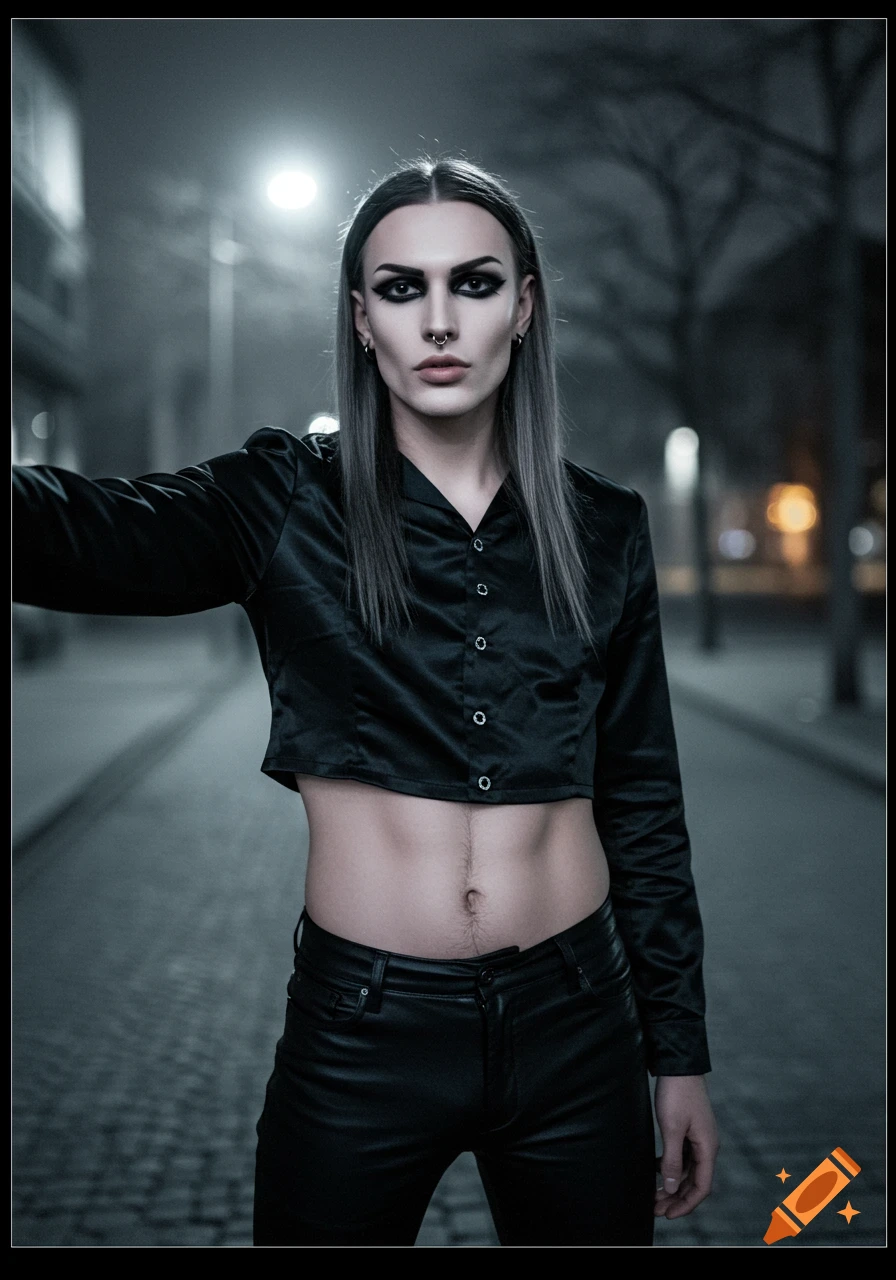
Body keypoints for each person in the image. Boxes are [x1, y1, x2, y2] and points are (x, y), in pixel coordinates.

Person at [12, 156, 719, 1247]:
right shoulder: (280, 501)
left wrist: (676, 1052)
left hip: (580, 1026)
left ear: (524, 306)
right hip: (361, 1033)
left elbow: (641, 799)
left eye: (473, 283)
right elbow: (72, 530)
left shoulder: (605, 529)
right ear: (360, 317)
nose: (438, 319)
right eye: (401, 288)